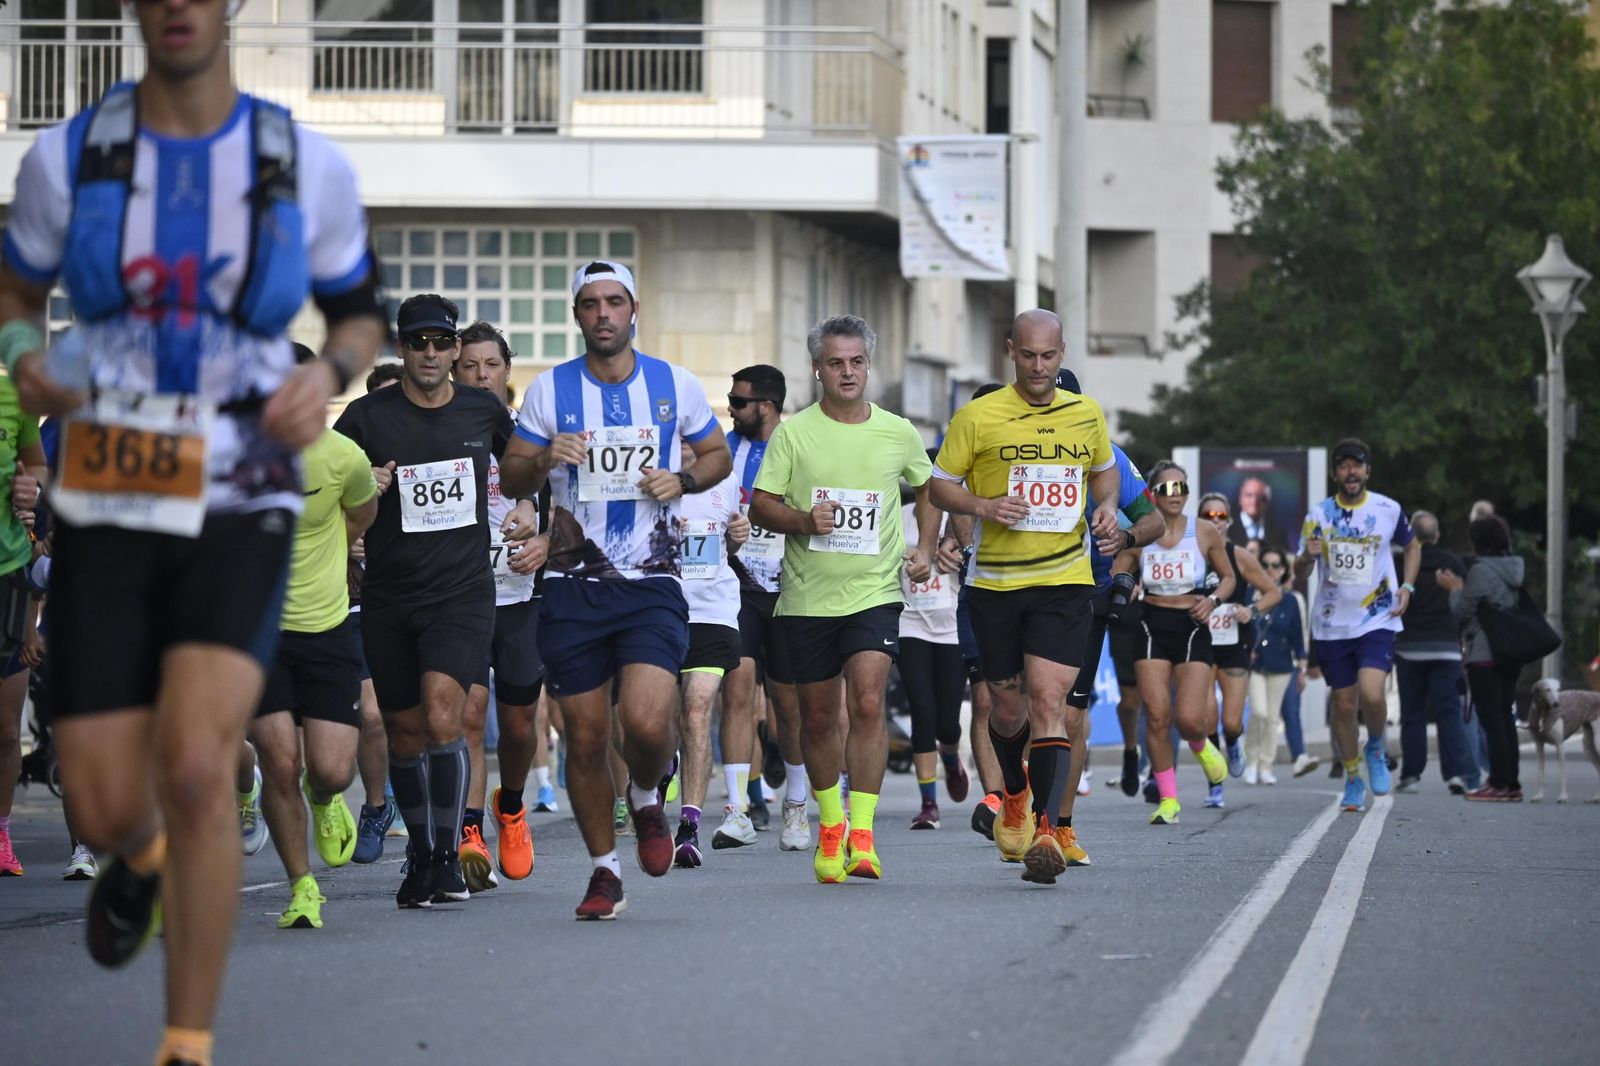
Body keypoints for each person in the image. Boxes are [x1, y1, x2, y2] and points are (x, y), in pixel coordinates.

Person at [0, 0, 386, 1057]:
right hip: (112, 485)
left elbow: (356, 308)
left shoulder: (297, 159)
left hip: (241, 482)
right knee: (101, 795)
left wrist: (332, 375)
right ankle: (144, 852)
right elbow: (16, 284)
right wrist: (28, 345)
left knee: (199, 759)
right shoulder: (71, 156)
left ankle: (186, 1039)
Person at [498, 259, 731, 920]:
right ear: (577, 316)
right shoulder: (550, 391)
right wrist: (545, 458)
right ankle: (604, 870)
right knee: (586, 734)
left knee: (648, 720)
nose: (603, 314)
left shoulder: (674, 384)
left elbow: (714, 455)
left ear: (634, 311)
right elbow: (513, 472)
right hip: (572, 585)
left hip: (651, 580)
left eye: (615, 302)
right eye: (591, 304)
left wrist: (681, 482)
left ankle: (648, 793)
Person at [333, 294, 519, 908]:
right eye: (420, 343)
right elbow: (326, 487)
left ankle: (447, 850)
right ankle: (418, 849)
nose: (432, 353)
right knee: (404, 733)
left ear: (456, 349)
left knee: (445, 715)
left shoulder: (482, 409)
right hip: (389, 595)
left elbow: (519, 471)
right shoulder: (365, 418)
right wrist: (367, 488)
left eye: (443, 342)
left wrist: (532, 513)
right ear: (401, 349)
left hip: (462, 593)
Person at [929, 309, 1122, 884]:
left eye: (1049, 356)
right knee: (1005, 708)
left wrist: (1106, 507)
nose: (1039, 368)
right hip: (995, 585)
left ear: (1063, 354)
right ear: (1010, 351)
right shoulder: (978, 416)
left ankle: (1048, 829)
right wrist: (983, 507)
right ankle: (1014, 790)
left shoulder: (1085, 413)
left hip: (1063, 581)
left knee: (1048, 702)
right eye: (1029, 356)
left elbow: (1105, 473)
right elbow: (940, 484)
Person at [750, 313, 936, 884]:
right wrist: (805, 520)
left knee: (870, 701)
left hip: (874, 593)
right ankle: (829, 826)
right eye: (836, 363)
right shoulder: (794, 433)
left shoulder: (897, 431)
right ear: (817, 368)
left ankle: (863, 832)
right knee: (819, 718)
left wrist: (925, 544)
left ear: (869, 365)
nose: (847, 372)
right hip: (807, 599)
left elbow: (928, 485)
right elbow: (761, 505)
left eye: (856, 362)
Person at [238, 344, 378, 930]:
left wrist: (334, 554)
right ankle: (302, 886)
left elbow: (362, 514)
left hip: (326, 627)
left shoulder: (345, 457)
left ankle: (323, 800)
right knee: (278, 758)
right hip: (257, 633)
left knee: (331, 770)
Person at [452, 321, 549, 889]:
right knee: (466, 714)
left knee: (517, 728)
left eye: (491, 366)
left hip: (519, 598)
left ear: (507, 372)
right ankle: (468, 828)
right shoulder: (438, 434)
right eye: (470, 366)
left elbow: (565, 510)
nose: (480, 375)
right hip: (461, 598)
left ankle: (509, 804)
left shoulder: (529, 437)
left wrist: (542, 538)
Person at [1059, 369, 1163, 858]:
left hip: (1086, 595)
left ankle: (1058, 826)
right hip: (1014, 588)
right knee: (1011, 707)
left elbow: (1153, 519)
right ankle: (1013, 801)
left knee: (1069, 716)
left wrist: (1124, 540)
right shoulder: (1005, 442)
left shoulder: (1108, 457)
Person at [1295, 438, 1420, 814]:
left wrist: (1408, 588)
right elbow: (1299, 572)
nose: (1351, 472)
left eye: (1357, 465)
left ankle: (1377, 746)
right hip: (1333, 623)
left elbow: (1412, 545)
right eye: (1344, 466)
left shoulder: (1387, 509)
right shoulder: (1318, 515)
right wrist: (1306, 556)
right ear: (1335, 473)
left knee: (1373, 695)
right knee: (1345, 705)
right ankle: (1352, 776)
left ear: (1367, 471)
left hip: (1377, 617)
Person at [1113, 462, 1235, 825]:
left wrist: (1213, 600)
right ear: (1151, 493)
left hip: (1192, 624)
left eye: (1181, 487)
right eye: (1166, 489)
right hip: (1151, 623)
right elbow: (1120, 567)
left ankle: (1201, 745)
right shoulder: (1141, 531)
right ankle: (1169, 799)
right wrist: (1126, 583)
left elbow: (1228, 577)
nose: (1176, 494)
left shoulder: (1204, 531)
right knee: (1157, 717)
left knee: (1188, 719)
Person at [722, 364, 812, 850]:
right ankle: (737, 808)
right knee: (736, 693)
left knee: (789, 705)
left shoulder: (799, 443)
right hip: (738, 588)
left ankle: (796, 806)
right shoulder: (725, 448)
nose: (731, 410)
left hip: (790, 587)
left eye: (738, 403)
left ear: (767, 407)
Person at [670, 439, 752, 864]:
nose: (685, 446)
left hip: (713, 610)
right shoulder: (649, 478)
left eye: (693, 438)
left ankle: (689, 826)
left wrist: (738, 537)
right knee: (653, 719)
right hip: (659, 609)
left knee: (697, 710)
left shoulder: (724, 479)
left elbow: (730, 541)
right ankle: (662, 766)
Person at [898, 451, 971, 830]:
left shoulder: (960, 516)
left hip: (951, 627)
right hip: (910, 623)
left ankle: (951, 757)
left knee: (947, 722)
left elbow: (979, 559)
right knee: (921, 712)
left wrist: (958, 553)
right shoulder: (899, 516)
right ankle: (929, 804)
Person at [1197, 492, 1281, 794]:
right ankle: (1214, 783)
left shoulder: (1240, 556)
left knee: (1231, 722)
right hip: (1201, 641)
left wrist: (1252, 610)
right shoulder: (1190, 552)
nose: (1214, 522)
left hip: (1234, 643)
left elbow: (1273, 593)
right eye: (1208, 515)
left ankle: (1233, 742)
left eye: (1220, 516)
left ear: (1229, 522)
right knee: (1206, 719)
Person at [1439, 515, 1526, 801]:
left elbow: (1461, 612)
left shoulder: (1481, 571)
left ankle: (1498, 783)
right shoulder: (1515, 567)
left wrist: (1453, 591)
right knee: (1504, 716)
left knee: (1491, 720)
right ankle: (1511, 782)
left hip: (1485, 653)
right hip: (1511, 651)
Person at [0, 376, 48, 878]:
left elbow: (37, 466)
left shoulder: (16, 397)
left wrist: (30, 482)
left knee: (5, 726)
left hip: (7, 575)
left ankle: (1, 834)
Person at [1393, 511, 1478, 795]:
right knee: (1448, 712)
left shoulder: (1401, 563)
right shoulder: (1452, 563)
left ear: (1412, 536)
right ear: (1438, 535)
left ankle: (1411, 775)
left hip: (1409, 647)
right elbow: (1467, 602)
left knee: (1413, 713)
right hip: (1445, 649)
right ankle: (1454, 773)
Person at [1245, 546, 1307, 783]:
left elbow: (1297, 637)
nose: (1270, 570)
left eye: (1275, 566)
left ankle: (1265, 766)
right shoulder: (1250, 593)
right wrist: (1244, 650)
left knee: (1272, 718)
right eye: (1266, 565)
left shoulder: (1290, 600)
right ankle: (1251, 760)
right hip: (1255, 664)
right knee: (1258, 712)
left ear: (1283, 571)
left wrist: (1301, 668)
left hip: (1282, 664)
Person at [1230, 476, 1288, 548]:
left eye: (1260, 497)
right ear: (1240, 498)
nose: (1254, 501)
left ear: (1267, 501)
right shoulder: (1228, 529)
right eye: (1249, 495)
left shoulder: (1278, 531)